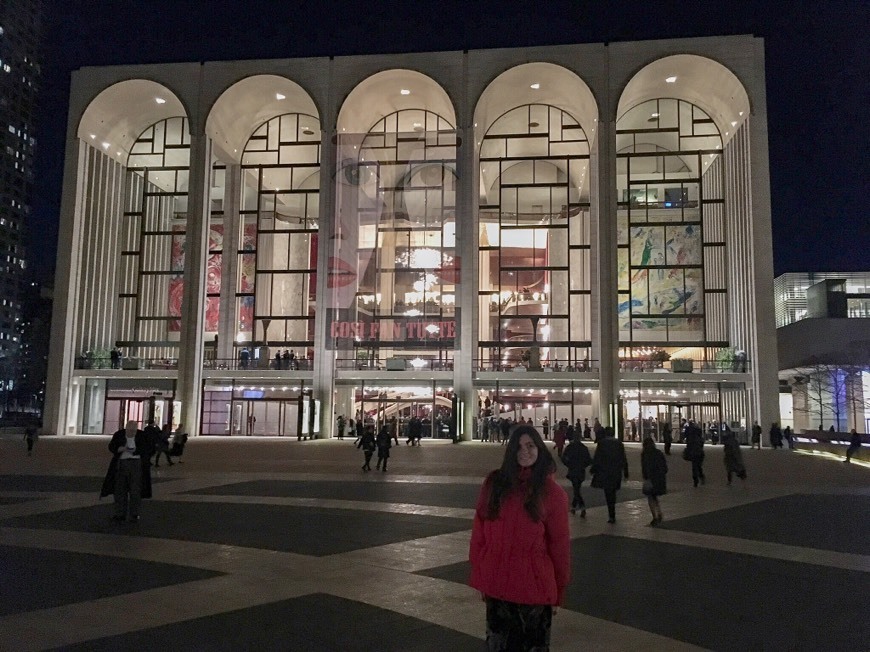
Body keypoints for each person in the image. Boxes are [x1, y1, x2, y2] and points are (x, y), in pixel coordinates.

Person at [469, 425, 570, 651]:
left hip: (534, 591)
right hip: (497, 586)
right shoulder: (495, 483)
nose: (524, 451)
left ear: (540, 448)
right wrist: (480, 572)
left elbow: (559, 546)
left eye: (530, 445)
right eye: (518, 447)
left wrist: (558, 591)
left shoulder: (552, 494)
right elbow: (480, 532)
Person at [100, 420, 153, 522]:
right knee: (119, 489)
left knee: (135, 490)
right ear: (126, 428)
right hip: (121, 463)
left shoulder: (142, 435)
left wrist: (136, 451)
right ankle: (120, 513)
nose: (132, 432)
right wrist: (121, 449)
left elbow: (148, 449)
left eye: (134, 430)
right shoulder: (119, 435)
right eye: (129, 430)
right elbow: (112, 447)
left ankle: (134, 514)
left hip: (136, 464)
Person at [590, 426, 629, 523]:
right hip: (616, 471)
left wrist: (593, 469)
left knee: (608, 492)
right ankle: (612, 511)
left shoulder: (602, 443)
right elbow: (623, 458)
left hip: (605, 472)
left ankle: (611, 514)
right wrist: (626, 471)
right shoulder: (619, 443)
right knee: (613, 492)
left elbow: (598, 458)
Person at [561, 428, 591, 517]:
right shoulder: (583, 448)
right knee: (577, 488)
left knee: (576, 489)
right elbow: (588, 460)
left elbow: (564, 458)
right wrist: (583, 465)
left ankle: (580, 506)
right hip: (581, 471)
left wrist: (569, 464)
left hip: (573, 470)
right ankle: (575, 507)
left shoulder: (570, 447)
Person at [641, 437, 667, 526]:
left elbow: (645, 468)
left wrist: (646, 478)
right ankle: (659, 512)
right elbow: (665, 467)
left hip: (651, 478)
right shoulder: (659, 453)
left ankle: (655, 516)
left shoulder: (645, 454)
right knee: (655, 497)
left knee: (650, 497)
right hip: (659, 478)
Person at [683, 420, 706, 487]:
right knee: (698, 466)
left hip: (694, 453)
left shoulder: (691, 439)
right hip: (698, 453)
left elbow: (689, 445)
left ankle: (696, 480)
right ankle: (700, 477)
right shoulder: (698, 438)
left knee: (695, 467)